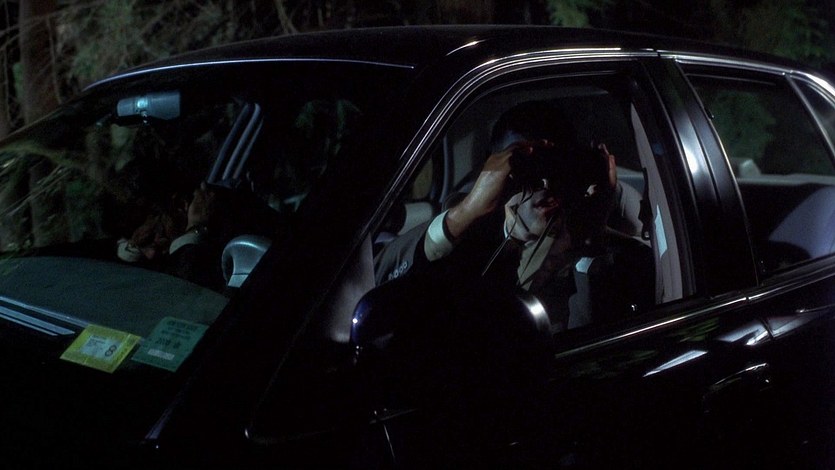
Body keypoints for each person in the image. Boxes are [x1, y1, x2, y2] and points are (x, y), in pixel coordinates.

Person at [374, 101, 645, 331]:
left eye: (554, 166)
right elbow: (376, 290)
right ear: (494, 168)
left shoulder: (594, 249)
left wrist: (589, 238)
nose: (544, 182)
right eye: (527, 166)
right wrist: (465, 214)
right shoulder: (464, 231)